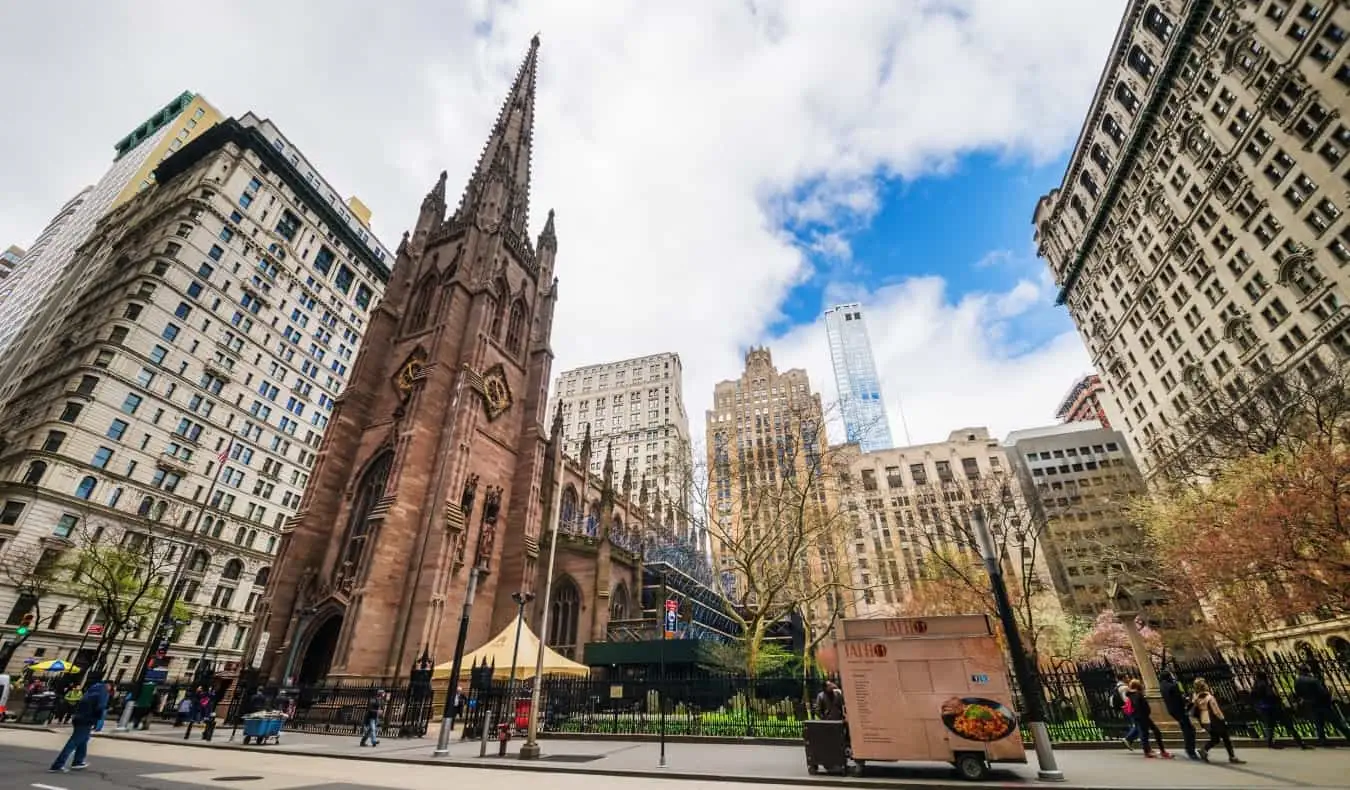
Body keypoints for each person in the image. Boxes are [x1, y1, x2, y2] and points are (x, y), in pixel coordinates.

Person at [49, 677, 108, 773]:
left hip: (78, 718)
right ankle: (57, 765)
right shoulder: (102, 692)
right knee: (73, 742)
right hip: (87, 719)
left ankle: (78, 761)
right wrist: (97, 720)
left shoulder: (89, 692)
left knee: (83, 740)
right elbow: (100, 707)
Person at [1294, 664, 1349, 746]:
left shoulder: (1297, 682)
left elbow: (1298, 694)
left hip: (1311, 704)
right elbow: (1323, 692)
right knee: (1336, 722)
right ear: (1307, 671)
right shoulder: (1314, 680)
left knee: (1319, 723)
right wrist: (1330, 698)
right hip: (1322, 704)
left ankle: (1322, 741)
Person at [1252, 670, 1308, 750]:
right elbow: (1271, 696)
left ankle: (1270, 743)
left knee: (1270, 727)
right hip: (1274, 708)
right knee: (1288, 725)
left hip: (1264, 709)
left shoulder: (1256, 686)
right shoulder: (1265, 685)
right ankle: (1301, 743)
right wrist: (1278, 700)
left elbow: (1254, 698)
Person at [1192, 678, 1244, 764]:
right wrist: (1223, 719)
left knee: (1215, 738)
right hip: (1215, 720)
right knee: (1226, 738)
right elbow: (1216, 711)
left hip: (1204, 720)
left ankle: (1204, 750)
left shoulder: (1196, 697)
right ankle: (1232, 756)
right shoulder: (1209, 697)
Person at [1126, 679, 1172, 758]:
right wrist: (1145, 712)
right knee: (1148, 733)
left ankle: (1151, 750)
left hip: (1141, 716)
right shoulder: (1137, 694)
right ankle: (1153, 751)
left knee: (1147, 733)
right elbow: (1138, 705)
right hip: (1142, 716)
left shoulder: (1131, 694)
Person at [1159, 671, 1199, 760]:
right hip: (1180, 710)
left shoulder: (1162, 686)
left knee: (1187, 728)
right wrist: (1187, 704)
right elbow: (1180, 699)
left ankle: (1189, 749)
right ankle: (1190, 750)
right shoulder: (1173, 686)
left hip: (1172, 711)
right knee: (1190, 730)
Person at [1113, 676, 1140, 750]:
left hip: (1124, 708)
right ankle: (1128, 739)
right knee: (1137, 725)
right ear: (1123, 678)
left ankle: (1129, 740)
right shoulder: (1124, 687)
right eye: (1126, 677)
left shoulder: (1117, 686)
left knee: (1135, 724)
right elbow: (1126, 699)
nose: (1128, 679)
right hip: (1130, 708)